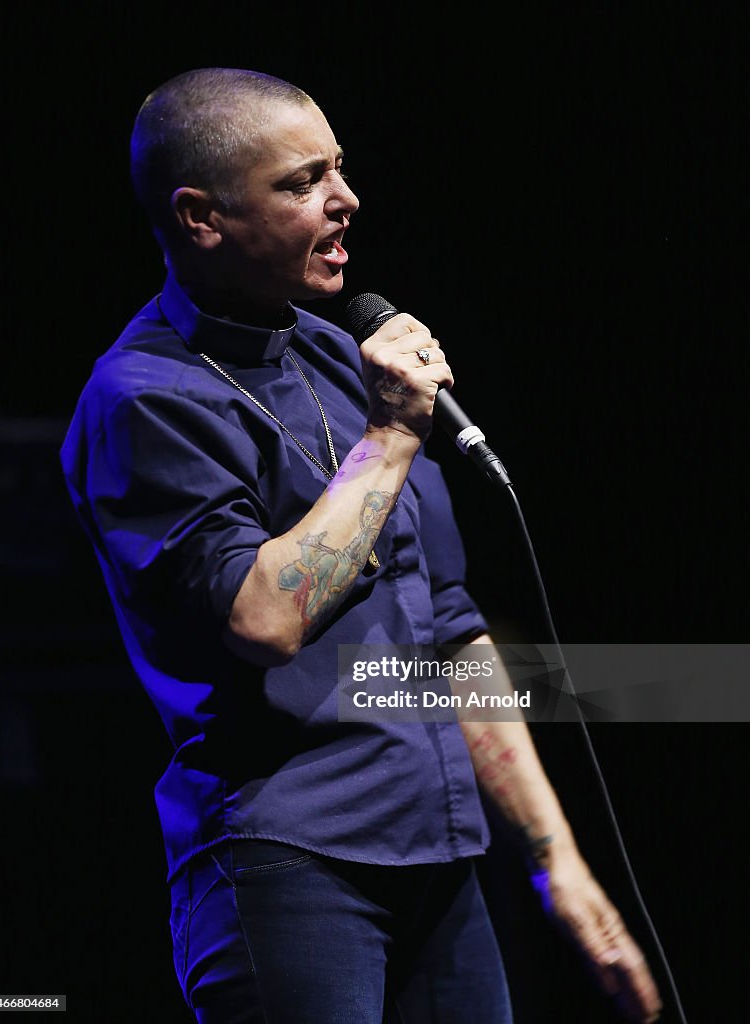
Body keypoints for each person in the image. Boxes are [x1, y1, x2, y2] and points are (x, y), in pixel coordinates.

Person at [60, 67, 662, 1023]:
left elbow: (452, 636)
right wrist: (388, 437)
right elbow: (263, 616)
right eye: (301, 183)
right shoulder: (144, 399)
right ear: (200, 217)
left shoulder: (345, 356)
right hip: (288, 863)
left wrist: (558, 863)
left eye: (337, 168)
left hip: (439, 855)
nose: (345, 200)